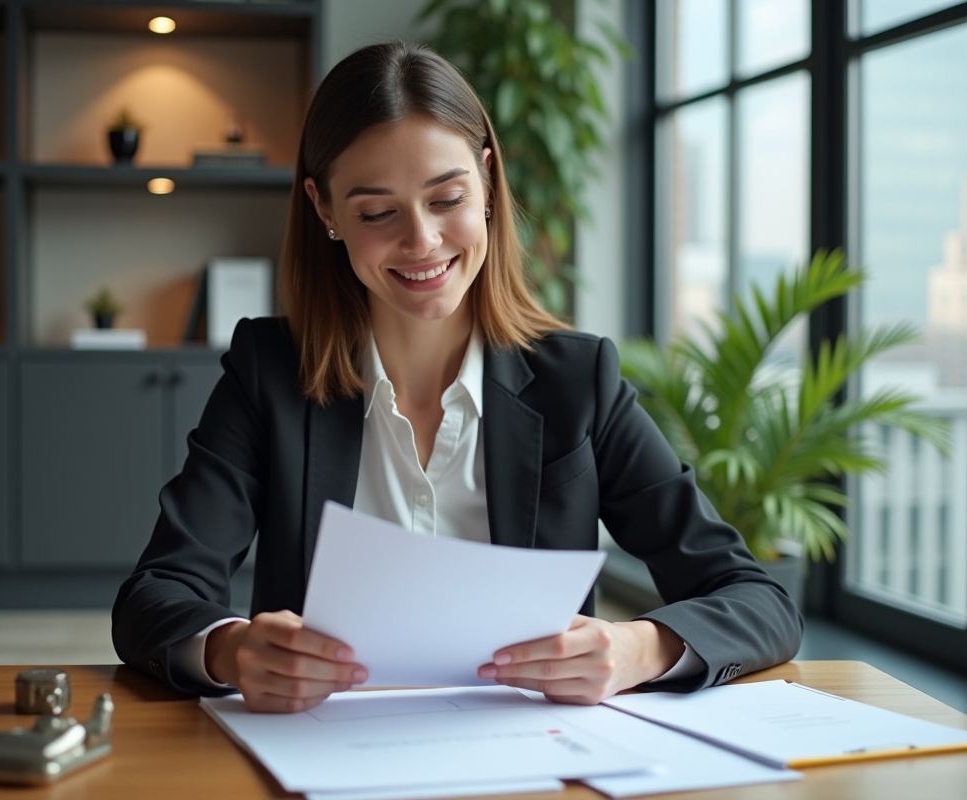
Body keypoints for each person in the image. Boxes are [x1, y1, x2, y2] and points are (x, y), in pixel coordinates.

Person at [112, 41, 802, 713]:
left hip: (530, 764)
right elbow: (155, 595)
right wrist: (230, 650)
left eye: (446, 199)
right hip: (319, 758)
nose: (421, 241)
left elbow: (757, 599)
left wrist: (638, 649)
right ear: (325, 211)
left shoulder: (577, 380)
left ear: (489, 182)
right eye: (378, 212)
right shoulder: (270, 372)